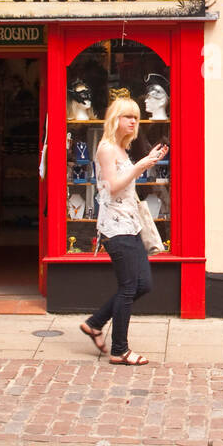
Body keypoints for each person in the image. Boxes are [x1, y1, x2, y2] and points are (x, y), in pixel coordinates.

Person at [79, 97, 168, 365]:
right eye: (127, 116)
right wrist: (141, 166)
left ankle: (95, 323)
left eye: (136, 118)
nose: (133, 121)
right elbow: (112, 187)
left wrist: (145, 162)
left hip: (130, 224)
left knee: (144, 284)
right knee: (129, 287)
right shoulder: (106, 149)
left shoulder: (121, 148)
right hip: (115, 227)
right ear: (114, 119)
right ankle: (120, 350)